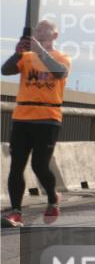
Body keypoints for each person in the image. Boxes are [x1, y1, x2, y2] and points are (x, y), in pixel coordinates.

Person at [1, 20, 71, 226]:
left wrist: (40, 51)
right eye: (37, 30)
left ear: (55, 36)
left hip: (48, 117)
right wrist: (17, 52)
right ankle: (16, 212)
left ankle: (52, 197)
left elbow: (60, 73)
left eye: (44, 30)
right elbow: (5, 70)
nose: (39, 33)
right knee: (16, 166)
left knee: (39, 164)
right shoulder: (27, 57)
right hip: (22, 116)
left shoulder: (62, 57)